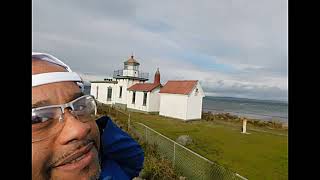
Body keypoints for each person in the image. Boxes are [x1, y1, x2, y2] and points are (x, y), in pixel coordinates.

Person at [32, 52, 144, 180]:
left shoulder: (110, 166)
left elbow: (134, 158)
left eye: (80, 106)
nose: (80, 129)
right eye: (38, 118)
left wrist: (101, 130)